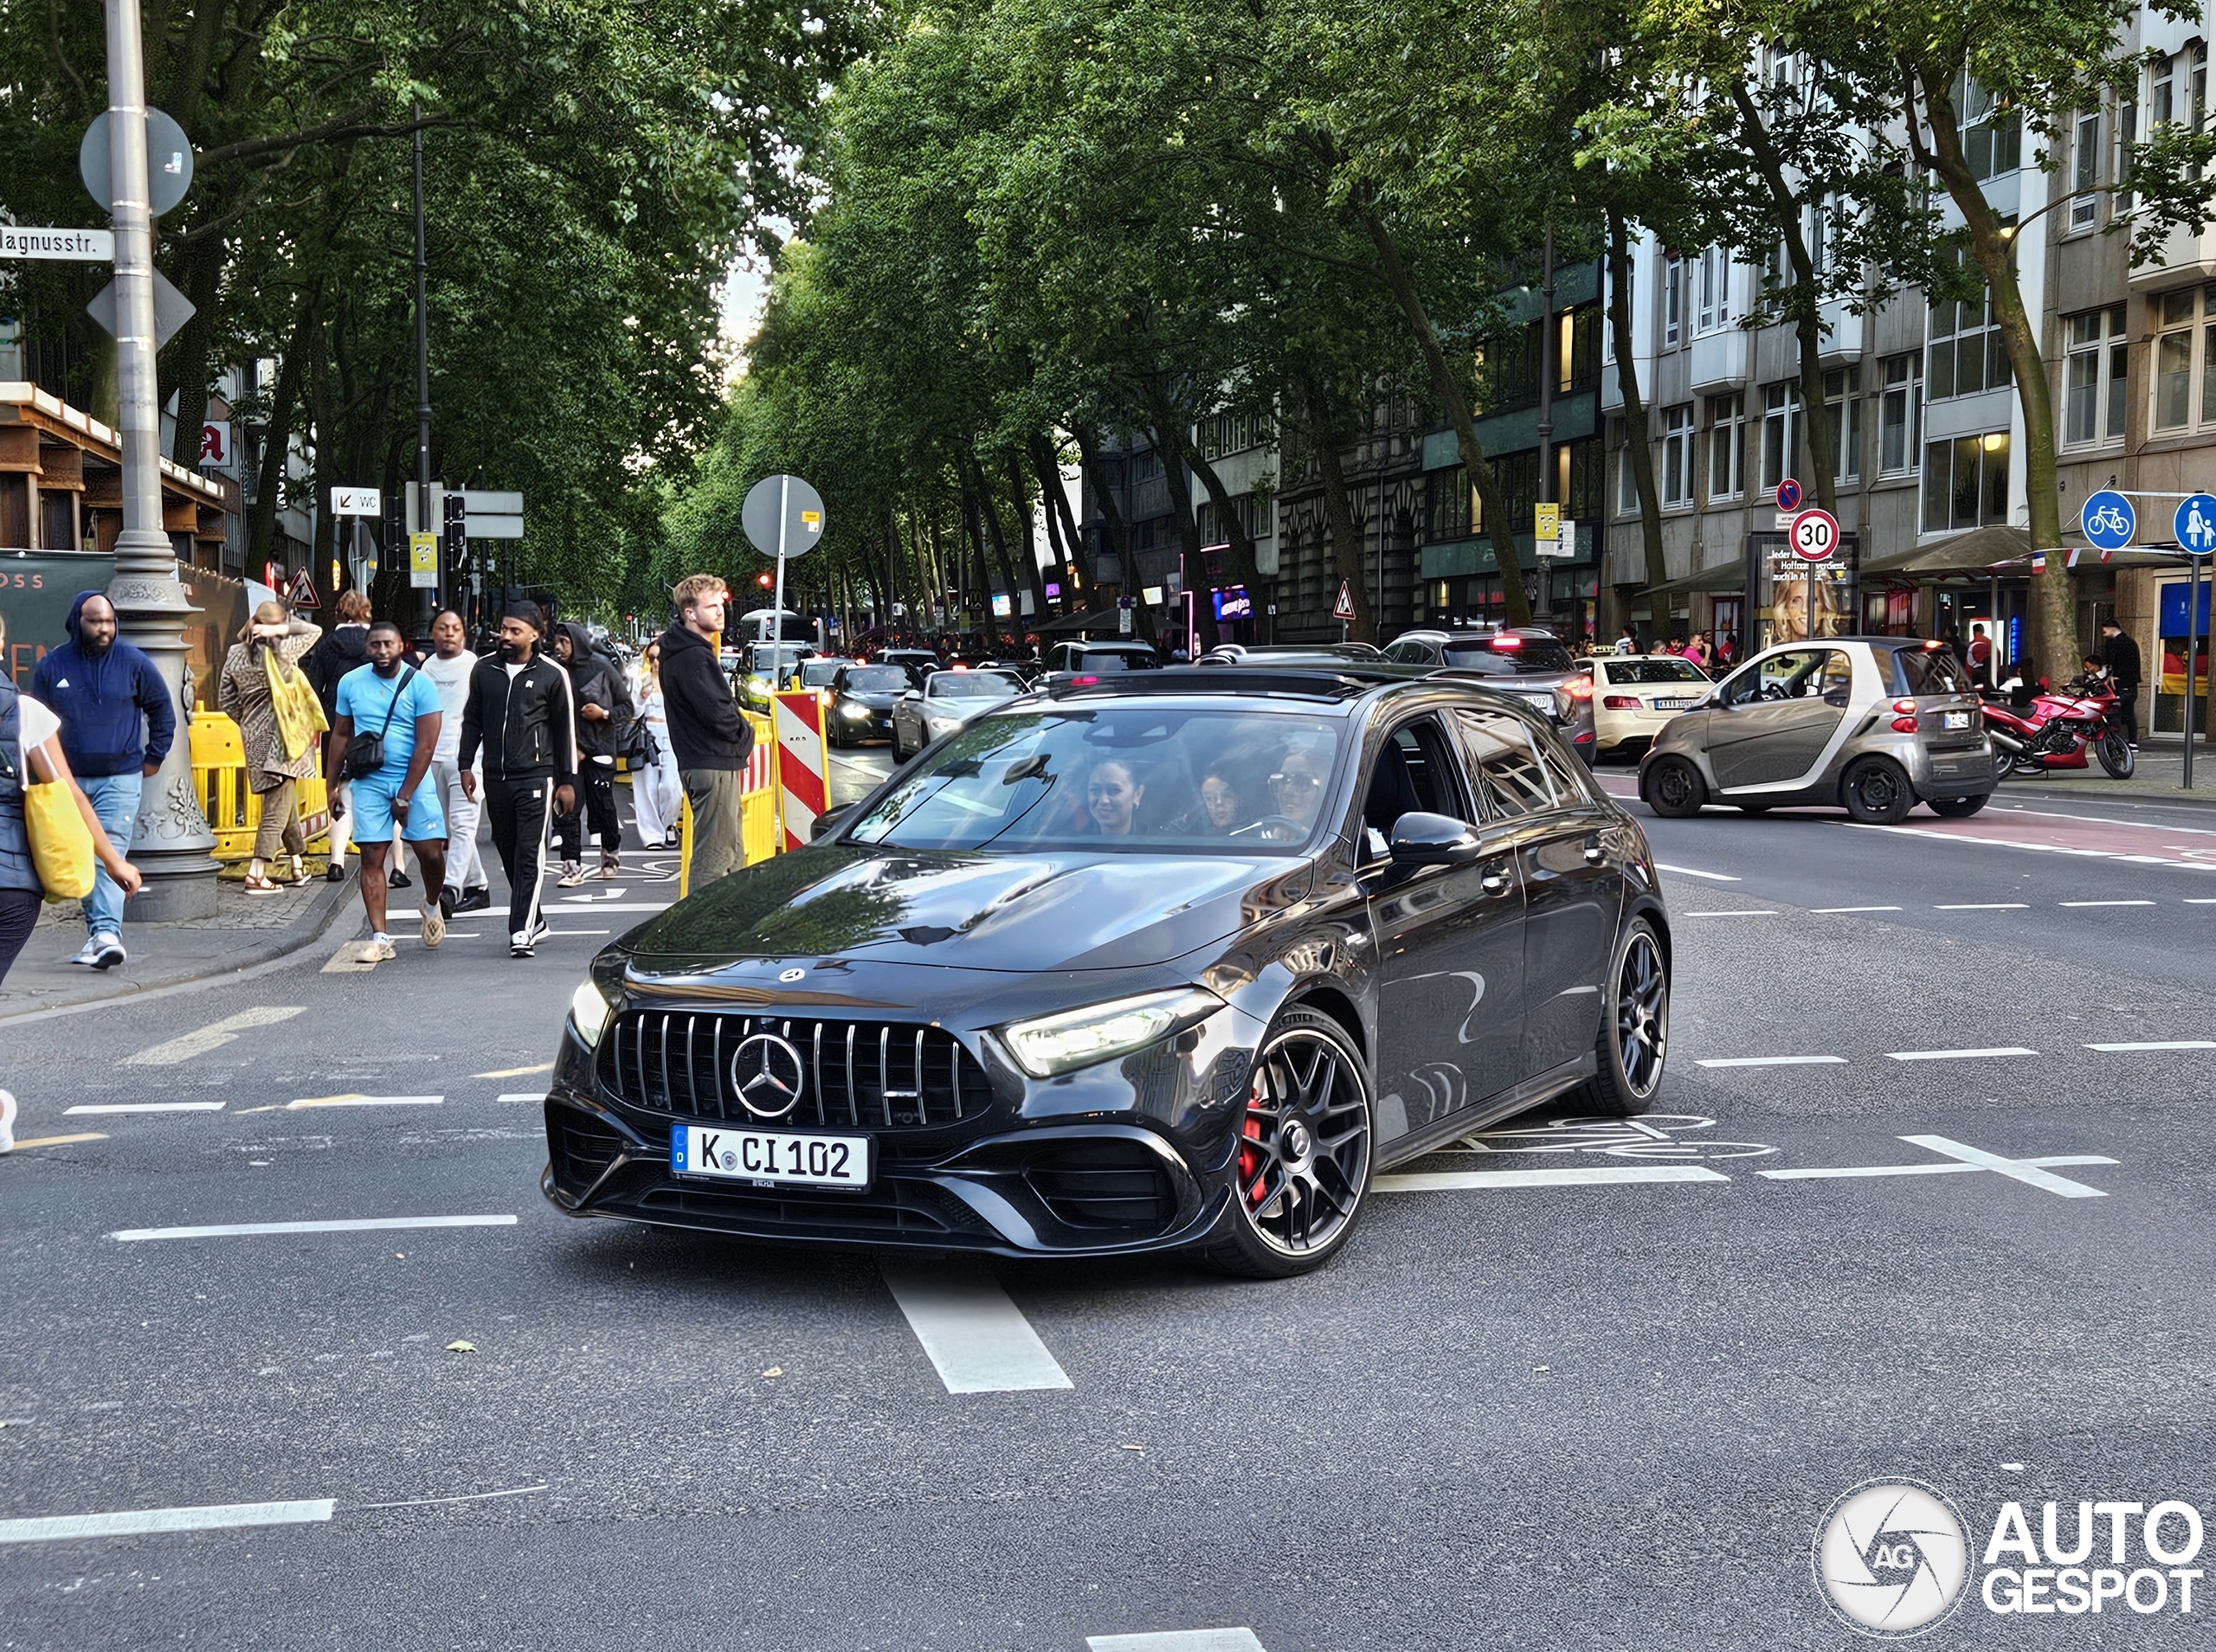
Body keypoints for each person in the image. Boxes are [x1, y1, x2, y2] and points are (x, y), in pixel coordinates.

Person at [0, 610, 143, 1153]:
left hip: (8, 881)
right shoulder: (27, 711)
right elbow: (71, 795)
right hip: (16, 884)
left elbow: (72, 795)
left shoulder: (25, 711)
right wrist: (114, 862)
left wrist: (113, 862)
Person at [29, 591, 175, 970]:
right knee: (77, 854)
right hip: (66, 780)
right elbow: (35, 724)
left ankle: (106, 934)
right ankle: (99, 934)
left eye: (109, 621)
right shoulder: (52, 666)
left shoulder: (134, 662)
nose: (104, 628)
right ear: (77, 620)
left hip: (120, 778)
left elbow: (162, 709)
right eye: (95, 620)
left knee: (106, 852)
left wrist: (154, 757)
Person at [459, 603, 577, 959]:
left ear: (534, 635)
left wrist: (568, 780)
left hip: (536, 777)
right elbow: (472, 721)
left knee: (529, 853)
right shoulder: (484, 671)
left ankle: (521, 931)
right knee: (508, 851)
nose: (505, 637)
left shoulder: (552, 675)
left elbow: (564, 730)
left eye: (514, 631)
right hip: (495, 777)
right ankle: (536, 919)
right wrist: (466, 765)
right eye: (503, 629)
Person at [330, 621, 447, 963]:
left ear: (402, 646)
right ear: (367, 648)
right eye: (375, 645)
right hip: (369, 780)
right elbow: (340, 734)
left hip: (414, 779)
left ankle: (431, 903)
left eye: (389, 645)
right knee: (371, 857)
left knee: (430, 854)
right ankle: (380, 937)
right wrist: (332, 785)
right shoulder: (350, 683)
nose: (382, 651)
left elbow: (426, 747)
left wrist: (406, 795)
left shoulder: (421, 684)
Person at [216, 601, 323, 892]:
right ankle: (257, 872)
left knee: (281, 796)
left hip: (255, 736)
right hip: (282, 736)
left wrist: (248, 723)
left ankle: (297, 863)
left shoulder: (236, 654)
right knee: (277, 804)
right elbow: (315, 629)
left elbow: (226, 699)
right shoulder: (282, 652)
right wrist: (282, 628)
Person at [655, 575, 755, 885]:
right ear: (690, 613)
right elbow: (717, 712)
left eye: (721, 604)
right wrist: (745, 733)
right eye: (711, 606)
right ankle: (699, 930)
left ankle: (728, 926)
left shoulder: (682, 652)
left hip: (703, 760)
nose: (720, 612)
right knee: (715, 859)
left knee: (731, 854)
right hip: (712, 761)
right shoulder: (693, 657)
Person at [420, 610, 490, 916]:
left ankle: (449, 889)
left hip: (468, 759)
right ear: (433, 633)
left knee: (462, 825)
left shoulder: (475, 667)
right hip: (433, 757)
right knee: (450, 827)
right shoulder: (426, 669)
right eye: (443, 628)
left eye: (456, 628)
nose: (449, 633)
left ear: (464, 634)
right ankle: (478, 887)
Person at [305, 590, 375, 884]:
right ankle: (392, 866)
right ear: (366, 613)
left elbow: (312, 689)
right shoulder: (377, 644)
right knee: (377, 790)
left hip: (336, 723)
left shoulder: (325, 647)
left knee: (339, 790)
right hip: (371, 724)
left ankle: (336, 862)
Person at [552, 621, 623, 884]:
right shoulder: (554, 671)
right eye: (557, 641)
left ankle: (611, 857)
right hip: (568, 754)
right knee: (567, 809)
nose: (559, 648)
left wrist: (603, 714)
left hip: (601, 750)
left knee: (603, 807)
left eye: (565, 642)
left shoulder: (602, 667)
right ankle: (571, 868)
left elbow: (626, 708)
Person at [631, 640, 683, 849]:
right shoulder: (641, 680)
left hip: (672, 735)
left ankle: (668, 824)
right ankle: (652, 835)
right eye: (651, 657)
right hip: (648, 737)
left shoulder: (676, 681)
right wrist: (642, 697)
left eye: (659, 657)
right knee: (647, 788)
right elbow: (633, 712)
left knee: (672, 786)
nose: (655, 662)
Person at [2101, 618, 2142, 749]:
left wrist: (2111, 676)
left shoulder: (2114, 644)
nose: (2104, 634)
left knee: (2115, 714)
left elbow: (2110, 663)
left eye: (2105, 631)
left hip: (2120, 683)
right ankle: (2132, 742)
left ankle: (2114, 742)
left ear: (2112, 629)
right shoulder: (2131, 642)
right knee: (2129, 714)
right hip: (2132, 684)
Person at [1085, 759, 1144, 836]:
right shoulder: (1070, 841)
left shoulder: (1155, 843)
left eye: (1114, 790)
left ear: (1137, 795)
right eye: (1095, 790)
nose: (1104, 800)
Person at [1199, 769, 1243, 835]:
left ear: (1237, 800)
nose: (1219, 802)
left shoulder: (1257, 835)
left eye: (1226, 796)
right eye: (1209, 798)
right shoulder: (1188, 839)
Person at [1967, 622, 1994, 686]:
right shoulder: (1991, 643)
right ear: (1983, 631)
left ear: (1973, 632)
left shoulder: (1971, 645)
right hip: (1990, 677)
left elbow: (1969, 664)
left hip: (1973, 677)